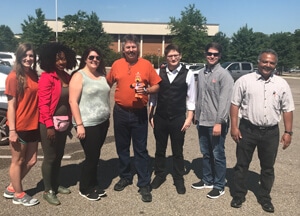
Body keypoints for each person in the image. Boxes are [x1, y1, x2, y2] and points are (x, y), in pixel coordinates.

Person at [230, 49, 294, 213]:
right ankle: (239, 195)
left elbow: (287, 109)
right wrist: (234, 127)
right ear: (258, 62)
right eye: (265, 61)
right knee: (242, 164)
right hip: (247, 129)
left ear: (275, 65)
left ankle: (265, 197)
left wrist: (288, 132)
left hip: (270, 133)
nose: (268, 65)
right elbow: (235, 104)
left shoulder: (281, 84)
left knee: (267, 167)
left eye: (271, 63)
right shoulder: (244, 81)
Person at [106, 34, 161, 202]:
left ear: (138, 48)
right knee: (122, 147)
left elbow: (157, 85)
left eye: (133, 47)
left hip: (139, 113)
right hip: (121, 112)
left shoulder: (146, 64)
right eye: (128, 47)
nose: (131, 50)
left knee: (140, 149)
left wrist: (147, 91)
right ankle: (125, 176)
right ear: (123, 49)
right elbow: (106, 85)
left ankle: (144, 183)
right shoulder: (116, 65)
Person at [149, 44, 195, 194]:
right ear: (166, 57)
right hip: (160, 117)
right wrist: (151, 115)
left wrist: (189, 118)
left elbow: (191, 99)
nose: (173, 58)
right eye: (170, 56)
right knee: (159, 149)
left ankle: (178, 177)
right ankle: (160, 174)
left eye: (176, 55)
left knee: (177, 150)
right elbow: (153, 97)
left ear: (180, 56)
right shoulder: (158, 72)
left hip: (178, 118)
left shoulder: (188, 74)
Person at [191, 42, 234, 199]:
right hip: (202, 121)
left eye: (215, 54)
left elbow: (225, 101)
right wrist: (196, 114)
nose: (212, 56)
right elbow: (199, 96)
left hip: (216, 123)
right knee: (206, 153)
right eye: (209, 53)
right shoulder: (202, 73)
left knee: (218, 154)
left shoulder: (224, 75)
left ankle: (219, 185)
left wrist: (219, 122)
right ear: (205, 54)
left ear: (220, 56)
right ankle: (207, 180)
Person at [38, 42, 77, 205]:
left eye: (63, 59)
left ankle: (55, 184)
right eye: (57, 59)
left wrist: (68, 122)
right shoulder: (47, 77)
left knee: (59, 155)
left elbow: (69, 102)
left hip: (62, 123)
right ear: (50, 60)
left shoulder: (67, 77)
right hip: (49, 124)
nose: (61, 62)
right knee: (50, 157)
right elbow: (43, 105)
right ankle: (48, 190)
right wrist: (49, 126)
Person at [69, 47, 110, 201]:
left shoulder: (101, 75)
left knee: (96, 155)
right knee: (92, 157)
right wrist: (79, 124)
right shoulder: (79, 76)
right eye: (91, 57)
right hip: (87, 122)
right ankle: (85, 188)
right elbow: (72, 101)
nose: (95, 60)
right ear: (85, 58)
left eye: (98, 58)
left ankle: (93, 184)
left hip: (102, 122)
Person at [3, 43, 40, 206]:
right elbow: (11, 104)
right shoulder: (13, 76)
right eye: (25, 55)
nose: (28, 58)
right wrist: (12, 130)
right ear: (19, 56)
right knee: (17, 161)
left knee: (31, 160)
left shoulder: (33, 74)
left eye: (31, 55)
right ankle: (18, 194)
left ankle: (12, 187)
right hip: (19, 126)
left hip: (33, 124)